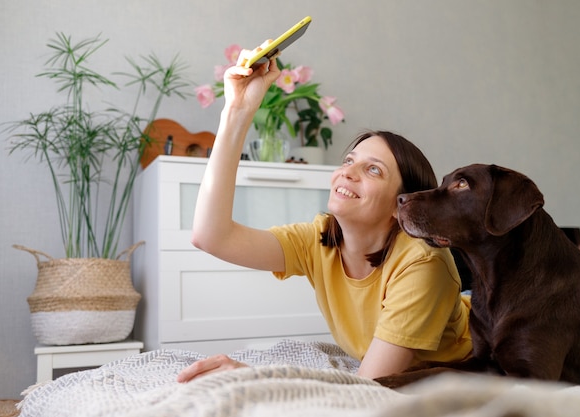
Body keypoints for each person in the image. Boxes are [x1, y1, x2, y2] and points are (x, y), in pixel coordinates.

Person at [177, 43, 472, 383]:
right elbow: (211, 236)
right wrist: (237, 110)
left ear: (401, 205)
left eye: (373, 170)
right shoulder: (320, 239)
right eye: (349, 161)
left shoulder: (422, 263)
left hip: (475, 359)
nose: (347, 172)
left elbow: (369, 388)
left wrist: (262, 377)